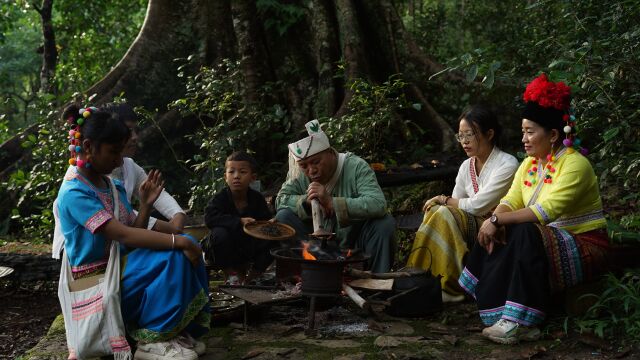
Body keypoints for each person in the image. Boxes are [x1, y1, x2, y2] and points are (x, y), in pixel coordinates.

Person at [458, 74, 609, 344]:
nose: (524, 139)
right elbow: (512, 199)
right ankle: (492, 306)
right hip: (546, 239)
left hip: (584, 244)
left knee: (523, 229)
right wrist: (496, 218)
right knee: (506, 224)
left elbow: (545, 211)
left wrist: (496, 218)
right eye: (523, 131)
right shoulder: (529, 164)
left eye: (530, 132)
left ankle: (522, 323)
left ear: (552, 135)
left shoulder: (575, 164)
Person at [56, 104, 210, 359]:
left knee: (185, 243)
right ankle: (153, 340)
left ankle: (172, 331)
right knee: (175, 254)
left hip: (118, 268)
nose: (119, 160)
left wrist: (146, 205)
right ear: (88, 147)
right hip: (96, 280)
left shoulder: (111, 185)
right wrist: (178, 242)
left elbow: (132, 235)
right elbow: (123, 235)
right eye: (113, 152)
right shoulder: (74, 192)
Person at [406, 105, 519, 302]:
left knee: (442, 211)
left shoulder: (507, 164)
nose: (464, 141)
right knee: (439, 212)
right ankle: (423, 277)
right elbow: (455, 205)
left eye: (470, 134)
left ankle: (450, 286)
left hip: (495, 226)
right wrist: (443, 204)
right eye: (460, 136)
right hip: (471, 224)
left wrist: (443, 199)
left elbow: (477, 206)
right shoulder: (466, 166)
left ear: (489, 133)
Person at [52, 102, 187, 259]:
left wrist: (175, 214)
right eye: (129, 131)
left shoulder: (116, 180)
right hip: (93, 268)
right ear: (90, 146)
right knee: (175, 258)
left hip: (119, 256)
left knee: (178, 255)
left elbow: (132, 225)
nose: (135, 137)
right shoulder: (76, 189)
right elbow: (123, 233)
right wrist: (174, 237)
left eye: (136, 130)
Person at [275, 120, 396, 273]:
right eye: (304, 166)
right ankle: (307, 275)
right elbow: (281, 200)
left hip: (355, 244)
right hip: (316, 247)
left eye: (316, 162)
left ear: (330, 152)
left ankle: (377, 281)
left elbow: (378, 204)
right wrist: (305, 202)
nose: (311, 170)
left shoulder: (356, 166)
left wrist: (332, 203)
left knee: (384, 224)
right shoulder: (300, 175)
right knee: (284, 216)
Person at [202, 151, 273, 285]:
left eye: (242, 172)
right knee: (219, 234)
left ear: (253, 177)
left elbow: (265, 220)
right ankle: (231, 275)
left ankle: (252, 277)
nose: (236, 176)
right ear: (225, 177)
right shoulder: (220, 198)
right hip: (224, 247)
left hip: (248, 245)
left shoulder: (257, 199)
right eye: (231, 172)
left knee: (273, 239)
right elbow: (209, 218)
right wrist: (238, 221)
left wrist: (270, 223)